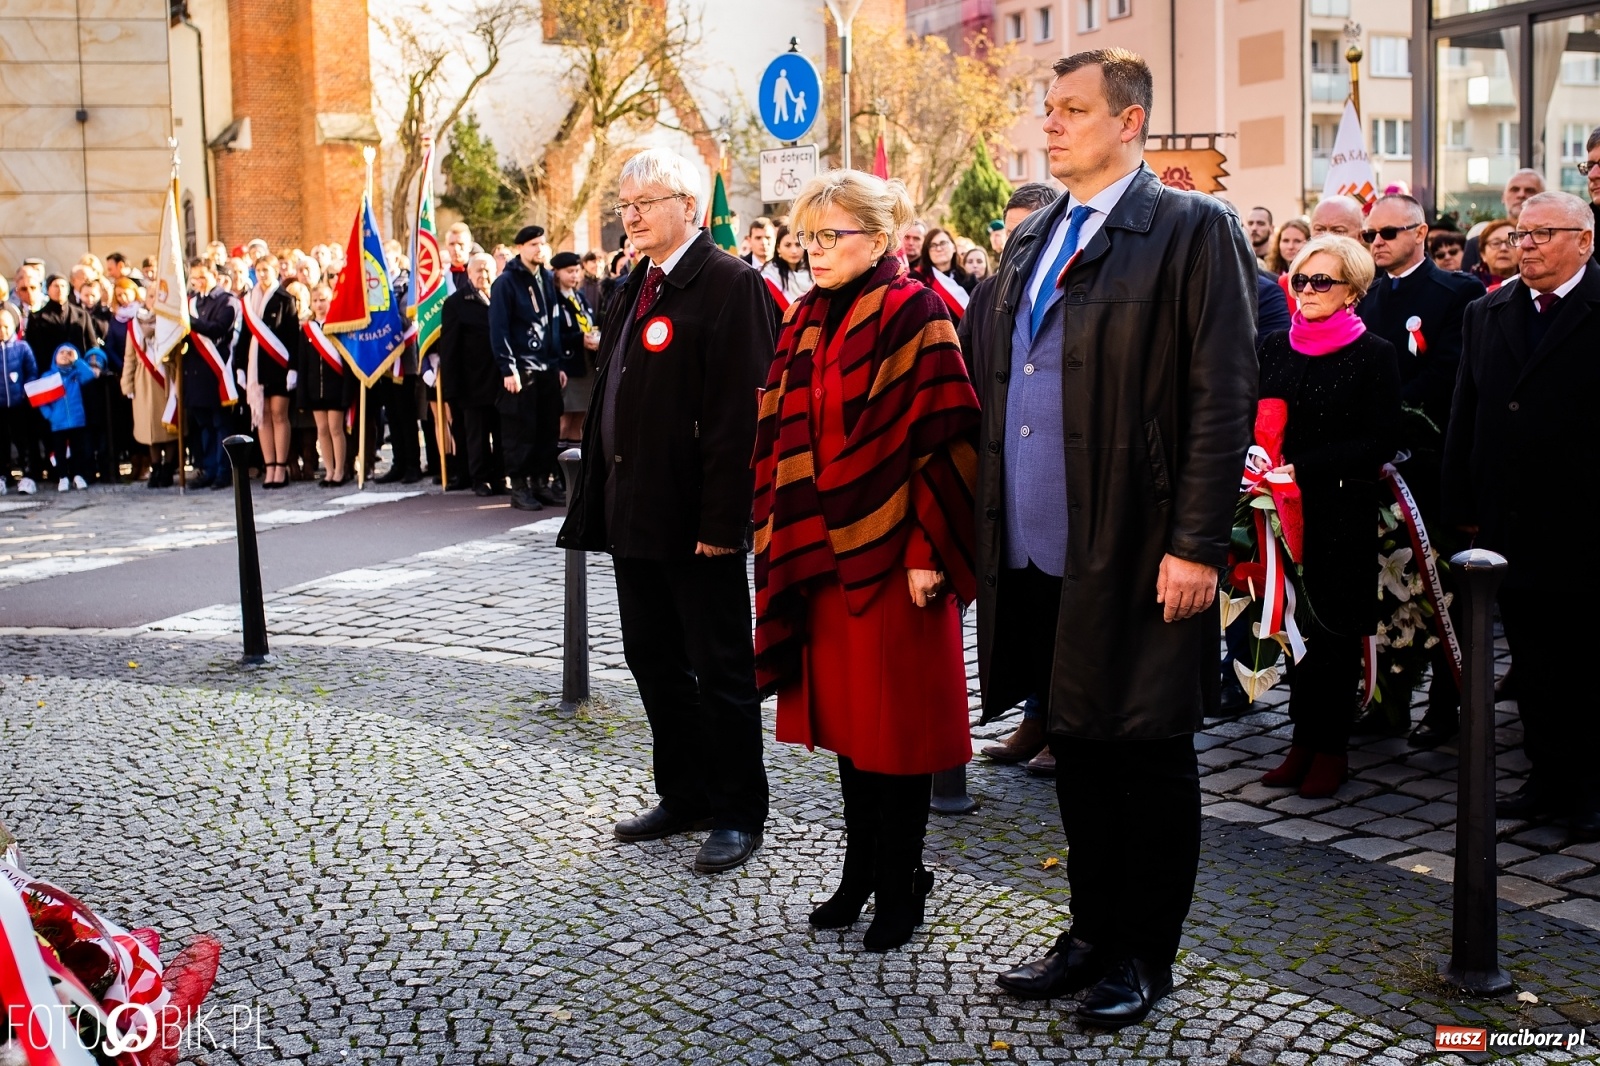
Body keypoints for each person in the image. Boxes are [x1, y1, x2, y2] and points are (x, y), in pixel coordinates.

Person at [967, 49, 1255, 1027]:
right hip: (1036, 547)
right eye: (1048, 109)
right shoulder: (1032, 234)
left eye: (1073, 110)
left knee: (1146, 754)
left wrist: (1196, 544)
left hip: (1137, 547)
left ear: (1128, 122)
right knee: (1076, 748)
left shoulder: (1189, 228)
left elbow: (1223, 400)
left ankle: (1144, 952)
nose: (1051, 124)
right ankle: (1088, 931)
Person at [751, 169, 979, 951]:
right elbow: (780, 434)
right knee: (851, 730)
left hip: (893, 561)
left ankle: (902, 881)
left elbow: (945, 441)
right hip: (819, 555)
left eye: (829, 236)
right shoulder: (806, 315)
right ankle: (862, 871)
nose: (812, 251)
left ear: (879, 241)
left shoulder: (918, 310)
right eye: (806, 236)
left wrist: (927, 551)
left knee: (898, 734)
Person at [557, 147, 774, 874]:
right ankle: (685, 793)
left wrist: (723, 523)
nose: (632, 215)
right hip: (634, 510)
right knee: (652, 658)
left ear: (691, 205)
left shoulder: (728, 283)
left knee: (720, 669)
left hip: (695, 522)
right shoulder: (633, 284)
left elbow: (737, 417)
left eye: (646, 201)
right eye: (624, 204)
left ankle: (740, 810)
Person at [1443, 191, 1598, 843]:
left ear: (1584, 241)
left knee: (1587, 662)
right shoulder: (1488, 310)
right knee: (1531, 661)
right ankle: (1547, 778)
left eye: (1541, 234)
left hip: (1587, 523)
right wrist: (1461, 503)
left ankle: (1590, 791)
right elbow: (1466, 411)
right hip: (1511, 520)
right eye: (1518, 234)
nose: (1524, 245)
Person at [1256, 237, 1401, 796]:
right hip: (1279, 513)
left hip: (1340, 513)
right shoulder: (1273, 346)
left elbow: (1382, 439)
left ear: (1353, 293)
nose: (1309, 290)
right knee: (1294, 631)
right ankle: (1300, 742)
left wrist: (1300, 467)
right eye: (1301, 280)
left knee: (1334, 634)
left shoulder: (1375, 354)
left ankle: (1331, 750)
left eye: (1324, 281)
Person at [1355, 194, 1486, 745]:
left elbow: (1450, 372)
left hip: (1430, 464)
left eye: (1388, 232)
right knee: (1387, 590)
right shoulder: (1367, 297)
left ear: (1421, 232)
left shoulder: (1458, 293)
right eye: (1369, 236)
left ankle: (1445, 706)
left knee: (1442, 591)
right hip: (1376, 465)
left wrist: (1386, 413)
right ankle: (1389, 702)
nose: (1377, 243)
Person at [960, 181, 1061, 777]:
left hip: (1053, 481)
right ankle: (1033, 716)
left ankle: (1063, 725)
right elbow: (971, 375)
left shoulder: (1069, 288)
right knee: (1019, 608)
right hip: (1002, 474)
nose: (1017, 240)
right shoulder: (991, 293)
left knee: (1057, 611)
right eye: (1010, 229)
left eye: (1031, 228)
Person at [489, 225, 564, 511]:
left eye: (543, 244)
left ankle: (540, 483)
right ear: (520, 247)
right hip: (521, 368)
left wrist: (557, 362)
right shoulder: (505, 283)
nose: (539, 249)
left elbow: (552, 323)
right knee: (520, 430)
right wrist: (508, 368)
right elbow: (499, 329)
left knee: (546, 428)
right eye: (533, 244)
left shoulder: (546, 278)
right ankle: (519, 487)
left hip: (547, 367)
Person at [440, 253, 503, 496]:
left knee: (500, 433)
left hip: (500, 379)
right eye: (478, 270)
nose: (483, 275)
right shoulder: (456, 303)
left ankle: (500, 476)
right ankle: (480, 479)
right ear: (468, 273)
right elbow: (449, 350)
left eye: (487, 270)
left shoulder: (500, 297)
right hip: (472, 382)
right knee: (476, 435)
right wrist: (450, 389)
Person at [236, 255, 299, 489]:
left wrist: (293, 368)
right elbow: (244, 336)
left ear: (275, 271)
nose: (262, 274)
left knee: (278, 414)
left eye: (266, 270)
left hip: (278, 365)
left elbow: (293, 336)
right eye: (259, 270)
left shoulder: (285, 299)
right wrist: (240, 366)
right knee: (261, 416)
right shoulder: (249, 299)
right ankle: (269, 466)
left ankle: (281, 468)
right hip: (256, 366)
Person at [184, 257, 241, 490]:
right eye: (194, 278)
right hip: (195, 373)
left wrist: (189, 322)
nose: (198, 282)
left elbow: (218, 329)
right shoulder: (191, 303)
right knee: (204, 425)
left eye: (202, 277)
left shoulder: (227, 301)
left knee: (221, 424)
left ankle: (222, 470)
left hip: (217, 372)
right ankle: (207, 469)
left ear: (214, 276)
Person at [114, 281, 176, 488]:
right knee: (149, 428)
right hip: (144, 381)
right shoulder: (135, 324)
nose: (154, 300)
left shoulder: (171, 322)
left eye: (158, 296)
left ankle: (168, 468)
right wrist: (127, 385)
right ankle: (155, 466)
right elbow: (129, 357)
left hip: (167, 378)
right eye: (151, 296)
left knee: (168, 426)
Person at [296, 282, 351, 486]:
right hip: (314, 388)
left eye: (323, 300)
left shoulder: (338, 326)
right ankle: (328, 471)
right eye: (315, 301)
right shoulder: (307, 330)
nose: (319, 305)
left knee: (336, 429)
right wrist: (303, 394)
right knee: (322, 430)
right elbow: (303, 363)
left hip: (335, 387)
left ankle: (339, 470)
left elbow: (345, 361)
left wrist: (347, 390)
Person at [549, 251, 599, 445]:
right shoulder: (553, 299)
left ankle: (574, 469)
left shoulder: (579, 297)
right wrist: (579, 339)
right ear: (557, 273)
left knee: (581, 418)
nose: (575, 276)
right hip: (567, 366)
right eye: (569, 271)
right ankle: (559, 469)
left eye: (577, 271)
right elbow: (553, 334)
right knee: (565, 419)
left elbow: (589, 323)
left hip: (585, 363)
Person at [38, 343, 99, 491]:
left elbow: (90, 375)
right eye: (62, 353)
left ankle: (78, 475)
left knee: (78, 449)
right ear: (54, 357)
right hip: (58, 422)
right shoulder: (48, 376)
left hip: (77, 420)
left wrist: (77, 361)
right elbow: (41, 400)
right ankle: (62, 476)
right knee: (59, 451)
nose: (65, 355)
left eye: (69, 353)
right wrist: (50, 415)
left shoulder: (77, 374)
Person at [0, 306, 40, 495]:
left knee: (24, 441)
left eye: (6, 326)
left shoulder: (22, 347)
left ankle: (28, 475)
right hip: (1, 405)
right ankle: (3, 476)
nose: (3, 331)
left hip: (19, 404)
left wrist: (26, 389)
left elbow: (32, 370)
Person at [912, 227, 974, 321]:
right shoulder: (916, 280)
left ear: (953, 247)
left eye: (943, 243)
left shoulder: (970, 279)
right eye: (933, 245)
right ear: (927, 251)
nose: (939, 248)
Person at [760, 225, 813, 313]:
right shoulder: (769, 276)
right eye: (788, 245)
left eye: (798, 244)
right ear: (778, 248)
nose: (794, 251)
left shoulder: (813, 272)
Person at [1476, 219, 1521, 290]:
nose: (1503, 248)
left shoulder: (1533, 285)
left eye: (1510, 243)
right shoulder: (1470, 288)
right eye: (1496, 243)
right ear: (1483, 254)